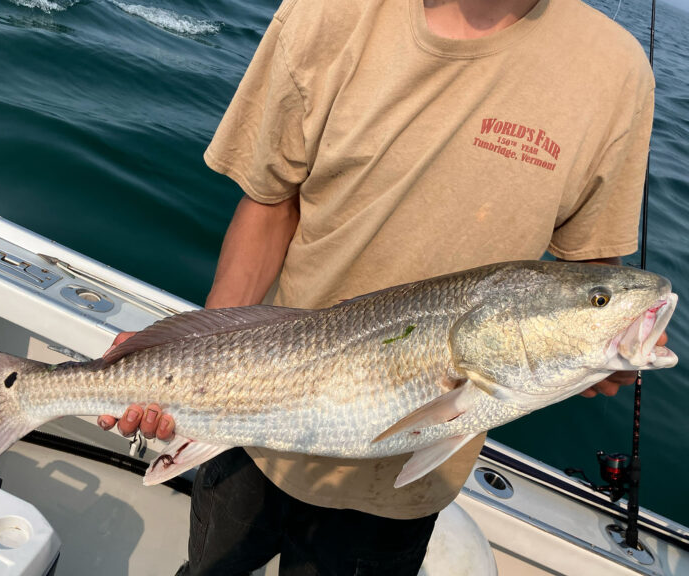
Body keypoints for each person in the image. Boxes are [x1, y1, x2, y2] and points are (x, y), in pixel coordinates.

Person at [98, 0, 660, 573]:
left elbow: (591, 275)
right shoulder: (324, 13)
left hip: (401, 488)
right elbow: (270, 203)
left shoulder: (615, 70)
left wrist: (597, 352)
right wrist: (188, 371)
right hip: (249, 423)